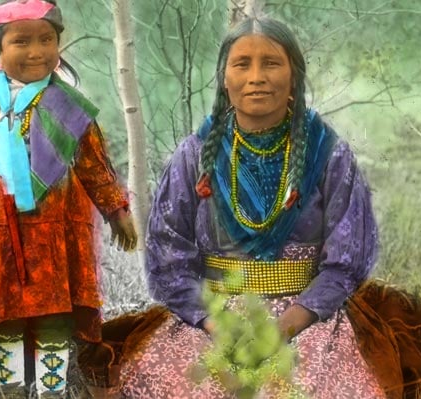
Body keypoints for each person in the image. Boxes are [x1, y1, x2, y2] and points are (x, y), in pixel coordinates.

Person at [118, 17, 389, 398]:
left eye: (272, 63)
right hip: (214, 322)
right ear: (223, 78)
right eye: (242, 64)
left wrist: (284, 328)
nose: (257, 76)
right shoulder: (195, 155)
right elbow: (169, 258)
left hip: (305, 320)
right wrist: (221, 327)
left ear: (294, 75)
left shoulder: (328, 155)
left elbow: (346, 261)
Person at [0, 0, 138, 397]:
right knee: (6, 313)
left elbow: (93, 164)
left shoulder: (67, 106)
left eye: (46, 40)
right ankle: (12, 390)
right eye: (22, 41)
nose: (36, 51)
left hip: (55, 229)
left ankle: (51, 390)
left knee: (53, 310)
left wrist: (116, 209)